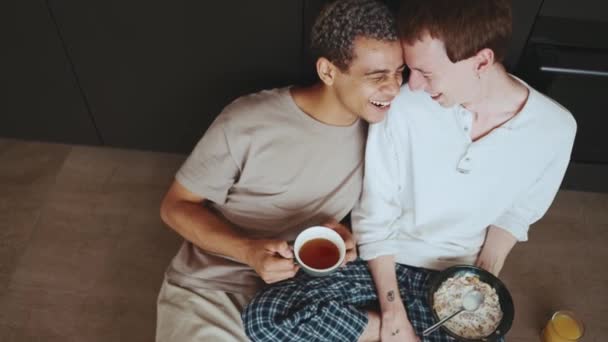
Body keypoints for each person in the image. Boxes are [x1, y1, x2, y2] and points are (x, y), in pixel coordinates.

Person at [242, 0, 577, 341]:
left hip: (454, 275)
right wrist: (392, 318)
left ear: (482, 61)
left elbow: (516, 215)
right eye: (410, 69)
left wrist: (479, 281)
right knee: (267, 316)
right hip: (381, 263)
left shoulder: (556, 129)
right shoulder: (403, 108)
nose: (411, 85)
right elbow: (375, 213)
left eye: (426, 72)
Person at [155, 0, 404, 341]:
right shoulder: (247, 122)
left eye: (398, 72)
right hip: (215, 288)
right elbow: (175, 206)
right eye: (377, 76)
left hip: (305, 296)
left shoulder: (384, 130)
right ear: (328, 72)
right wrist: (248, 251)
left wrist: (347, 236)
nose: (393, 88)